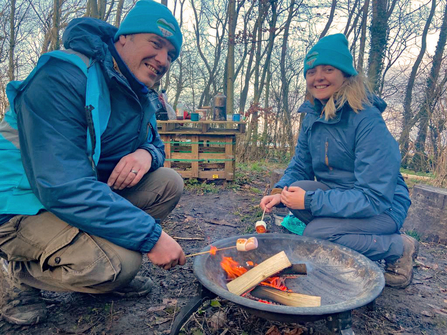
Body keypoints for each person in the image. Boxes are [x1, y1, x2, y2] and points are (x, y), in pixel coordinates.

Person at [0, 0, 186, 325]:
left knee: (167, 183)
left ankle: (95, 269)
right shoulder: (62, 76)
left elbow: (155, 143)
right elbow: (62, 186)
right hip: (20, 204)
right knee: (118, 264)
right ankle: (15, 269)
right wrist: (151, 237)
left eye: (170, 54)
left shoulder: (139, 94)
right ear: (123, 38)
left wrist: (146, 155)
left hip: (68, 198)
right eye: (156, 44)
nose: (163, 60)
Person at [260, 33, 418, 290]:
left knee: (317, 234)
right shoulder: (313, 115)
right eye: (311, 72)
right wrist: (279, 191)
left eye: (328, 69)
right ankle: (337, 237)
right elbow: (301, 165)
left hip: (383, 207)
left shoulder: (367, 120)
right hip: (342, 197)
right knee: (296, 188)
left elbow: (374, 196)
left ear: (345, 75)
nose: (318, 77)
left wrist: (311, 202)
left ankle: (399, 247)